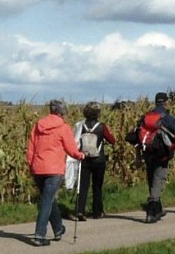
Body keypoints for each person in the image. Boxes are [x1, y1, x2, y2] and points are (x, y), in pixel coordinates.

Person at [26, 99, 84, 244]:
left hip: (38, 167)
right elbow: (71, 149)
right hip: (54, 169)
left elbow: (31, 148)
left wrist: (31, 164)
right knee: (46, 201)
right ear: (62, 112)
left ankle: (58, 229)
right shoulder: (63, 128)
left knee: (49, 200)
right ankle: (40, 235)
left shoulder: (38, 126)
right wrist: (80, 155)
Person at [133, 92, 175, 223]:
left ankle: (158, 209)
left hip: (147, 152)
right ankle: (151, 210)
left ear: (155, 102)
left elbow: (137, 138)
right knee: (159, 179)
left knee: (151, 178)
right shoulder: (168, 118)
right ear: (166, 102)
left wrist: (138, 157)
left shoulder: (146, 117)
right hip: (162, 154)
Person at [73, 102, 118, 221]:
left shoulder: (80, 126)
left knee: (83, 186)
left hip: (84, 159)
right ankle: (97, 212)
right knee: (97, 186)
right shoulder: (101, 126)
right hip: (99, 159)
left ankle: (80, 211)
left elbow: (75, 141)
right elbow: (112, 140)